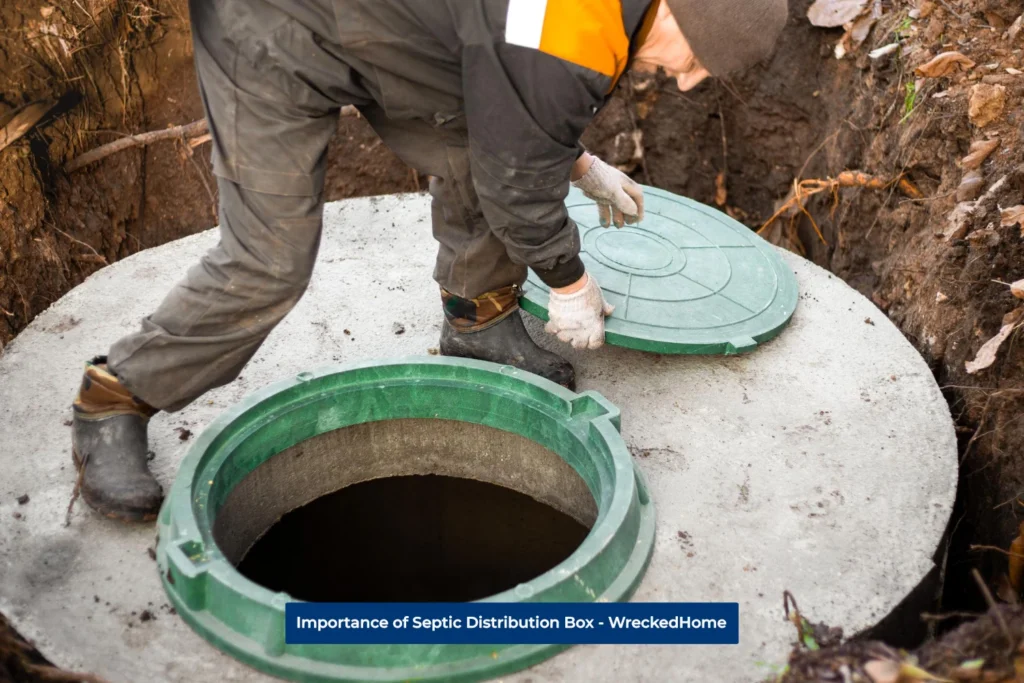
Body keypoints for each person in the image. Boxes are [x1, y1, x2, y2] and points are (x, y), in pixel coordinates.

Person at [70, 0, 787, 521]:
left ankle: (477, 318)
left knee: (477, 144)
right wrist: (568, 280)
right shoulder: (574, 29)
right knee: (270, 258)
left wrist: (573, 161)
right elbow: (517, 174)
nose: (688, 81)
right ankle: (116, 395)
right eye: (698, 63)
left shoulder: (590, 18)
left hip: (389, 24)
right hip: (274, 27)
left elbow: (509, 98)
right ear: (680, 16)